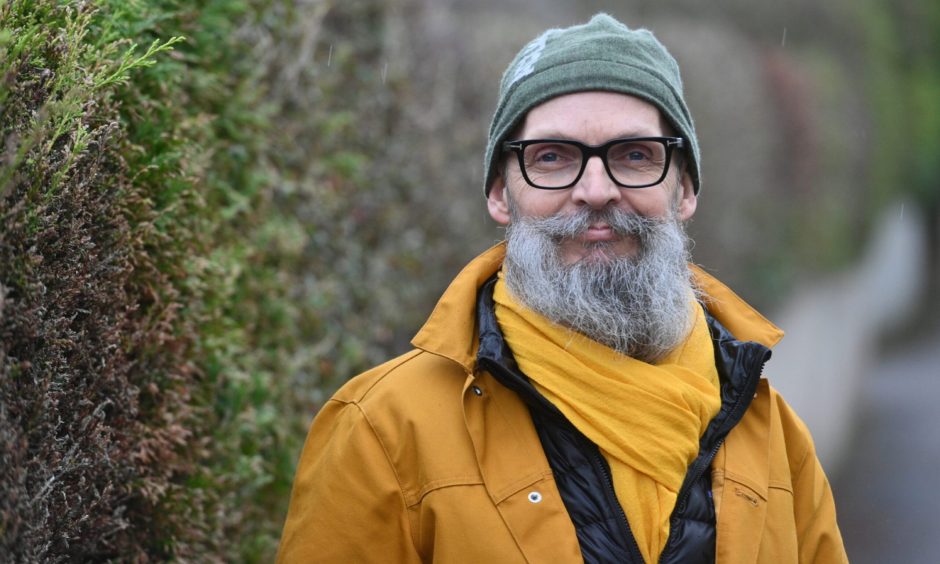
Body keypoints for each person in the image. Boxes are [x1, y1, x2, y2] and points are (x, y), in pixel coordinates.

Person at [276, 13, 848, 564]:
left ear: (685, 190)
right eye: (552, 157)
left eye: (634, 155)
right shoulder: (383, 431)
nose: (596, 190)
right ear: (501, 193)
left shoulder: (774, 438)